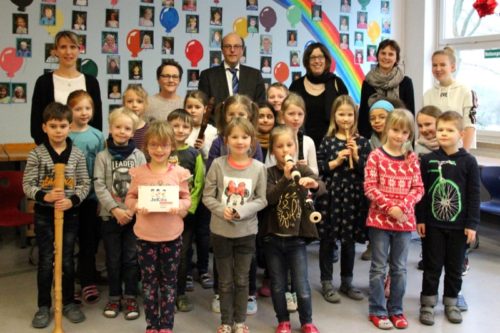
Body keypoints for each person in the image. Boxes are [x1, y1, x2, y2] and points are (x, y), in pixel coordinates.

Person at [23, 102, 90, 329]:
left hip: (69, 215)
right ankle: (43, 306)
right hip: (44, 215)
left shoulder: (77, 154)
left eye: (63, 125)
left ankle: (69, 302)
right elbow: (27, 185)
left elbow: (84, 184)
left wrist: (71, 200)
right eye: (53, 126)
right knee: (46, 261)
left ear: (69, 127)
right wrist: (45, 196)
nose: (58, 130)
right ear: (44, 128)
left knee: (67, 260)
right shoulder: (37, 154)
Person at [203, 117, 267, 333]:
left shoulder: (259, 168)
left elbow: (261, 199)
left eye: (245, 136)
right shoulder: (218, 165)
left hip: (246, 233)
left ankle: (239, 321)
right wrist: (222, 210)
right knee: (225, 281)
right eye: (235, 136)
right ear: (226, 140)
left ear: (252, 140)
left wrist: (241, 211)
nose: (240, 141)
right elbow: (207, 196)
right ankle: (226, 321)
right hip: (220, 232)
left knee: (241, 279)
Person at [125, 121, 191, 333]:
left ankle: (166, 325)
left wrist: (178, 207)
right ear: (146, 147)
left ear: (172, 145)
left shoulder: (179, 173)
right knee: (149, 283)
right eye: (154, 145)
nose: (159, 150)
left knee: (169, 283)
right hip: (145, 236)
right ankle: (152, 324)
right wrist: (137, 206)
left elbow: (187, 200)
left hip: (172, 236)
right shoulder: (139, 173)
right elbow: (130, 197)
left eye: (163, 145)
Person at [416, 111, 480, 326]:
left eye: (449, 130)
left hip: (459, 227)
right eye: (440, 129)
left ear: (461, 134)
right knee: (432, 265)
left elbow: (473, 194)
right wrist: (421, 219)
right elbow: (422, 193)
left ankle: (451, 303)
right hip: (433, 225)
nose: (443, 133)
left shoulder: (469, 162)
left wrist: (472, 224)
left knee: (455, 267)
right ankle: (427, 303)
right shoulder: (428, 159)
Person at [364, 109, 424, 330]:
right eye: (396, 130)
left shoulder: (411, 159)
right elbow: (370, 187)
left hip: (404, 223)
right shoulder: (376, 156)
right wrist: (390, 207)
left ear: (410, 135)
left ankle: (396, 309)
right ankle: (377, 310)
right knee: (379, 268)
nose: (400, 136)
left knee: (399, 268)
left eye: (405, 132)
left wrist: (403, 207)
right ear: (387, 128)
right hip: (380, 222)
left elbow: (418, 189)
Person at [263, 125, 325, 333]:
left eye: (289, 145)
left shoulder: (303, 169)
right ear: (272, 151)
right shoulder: (270, 173)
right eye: (279, 146)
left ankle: (307, 321)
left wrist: (314, 185)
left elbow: (322, 187)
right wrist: (285, 178)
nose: (285, 150)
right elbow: (270, 198)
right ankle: (283, 320)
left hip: (296, 238)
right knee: (278, 285)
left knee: (301, 285)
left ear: (295, 147)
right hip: (273, 238)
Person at [316, 95, 371, 304]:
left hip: (353, 197)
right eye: (341, 114)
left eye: (349, 114)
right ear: (334, 116)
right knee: (328, 241)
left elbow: (368, 172)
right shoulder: (328, 140)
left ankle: (347, 281)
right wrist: (337, 160)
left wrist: (356, 156)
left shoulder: (363, 142)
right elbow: (319, 167)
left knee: (349, 242)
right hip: (331, 196)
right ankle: (326, 282)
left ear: (355, 116)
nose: (345, 119)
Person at [94, 108, 146, 321]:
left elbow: (144, 183)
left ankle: (131, 295)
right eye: (118, 127)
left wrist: (131, 210)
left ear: (133, 132)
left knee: (131, 258)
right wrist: (115, 209)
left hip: (134, 218)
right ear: (110, 128)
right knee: (113, 259)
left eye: (127, 128)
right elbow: (98, 184)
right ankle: (115, 295)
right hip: (110, 217)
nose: (122, 131)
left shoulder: (139, 156)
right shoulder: (102, 156)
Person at [67, 90, 105, 305]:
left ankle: (88, 280)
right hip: (69, 198)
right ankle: (68, 283)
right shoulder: (65, 134)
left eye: (87, 108)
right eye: (78, 108)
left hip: (90, 199)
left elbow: (101, 168)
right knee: (68, 243)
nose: (83, 113)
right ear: (70, 110)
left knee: (89, 242)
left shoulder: (97, 135)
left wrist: (99, 198)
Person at [31, 30, 102, 145]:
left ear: (79, 50)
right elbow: (36, 124)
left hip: (85, 149)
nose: (68, 52)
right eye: (63, 47)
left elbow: (97, 121)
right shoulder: (43, 82)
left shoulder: (92, 83)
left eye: (73, 47)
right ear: (55, 51)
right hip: (53, 150)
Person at [166, 110, 205, 313]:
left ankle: (179, 293)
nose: (180, 130)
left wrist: (188, 209)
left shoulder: (195, 154)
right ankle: (165, 295)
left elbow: (198, 184)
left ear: (190, 130)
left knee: (182, 256)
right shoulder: (162, 151)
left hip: (185, 216)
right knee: (163, 256)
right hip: (162, 214)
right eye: (175, 125)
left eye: (185, 126)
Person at [289, 42, 349, 149]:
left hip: (333, 145)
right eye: (313, 58)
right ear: (307, 62)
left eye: (321, 57)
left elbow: (347, 113)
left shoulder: (337, 83)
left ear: (326, 60)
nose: (317, 61)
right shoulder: (296, 86)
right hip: (302, 143)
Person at [198, 32, 266, 118]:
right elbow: (204, 108)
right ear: (222, 50)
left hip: (248, 129)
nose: (232, 50)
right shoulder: (207, 76)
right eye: (228, 46)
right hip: (217, 128)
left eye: (236, 46)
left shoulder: (255, 75)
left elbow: (260, 107)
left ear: (242, 50)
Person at [358, 39, 415, 138]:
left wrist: (409, 143)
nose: (386, 57)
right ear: (377, 56)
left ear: (396, 58)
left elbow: (410, 116)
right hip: (373, 138)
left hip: (399, 137)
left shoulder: (406, 82)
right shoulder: (368, 83)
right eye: (383, 53)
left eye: (391, 54)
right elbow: (364, 115)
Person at [423, 46, 477, 150]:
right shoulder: (428, 94)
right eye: (435, 65)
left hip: (458, 151)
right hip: (434, 151)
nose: (438, 69)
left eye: (443, 65)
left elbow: (469, 126)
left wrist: (464, 154)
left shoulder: (466, 91)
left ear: (452, 67)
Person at [265, 93, 318, 175]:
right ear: (282, 115)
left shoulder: (308, 141)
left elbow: (316, 172)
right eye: (291, 114)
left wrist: (306, 168)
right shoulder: (276, 138)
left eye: (300, 114)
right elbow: (268, 168)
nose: (296, 118)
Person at [184, 90, 218, 161]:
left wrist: (203, 147)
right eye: (189, 107)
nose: (193, 110)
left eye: (197, 107)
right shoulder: (181, 130)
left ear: (205, 109)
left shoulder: (213, 132)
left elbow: (213, 159)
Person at [123, 84, 149, 150]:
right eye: (130, 101)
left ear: (145, 104)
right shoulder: (118, 127)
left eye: (139, 101)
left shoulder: (149, 129)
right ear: (123, 104)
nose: (134, 105)